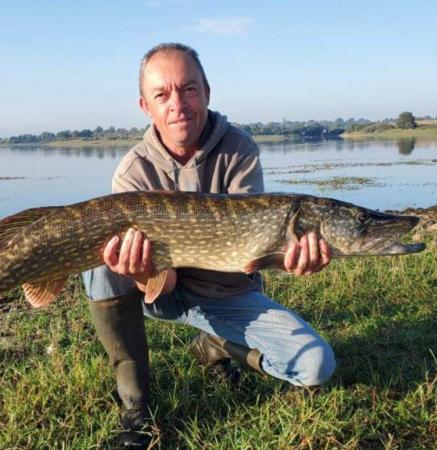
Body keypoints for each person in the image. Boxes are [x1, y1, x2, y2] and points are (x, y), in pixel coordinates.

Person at [83, 42, 336, 448]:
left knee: (315, 366)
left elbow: (253, 255)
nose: (177, 104)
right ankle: (135, 405)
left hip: (227, 292)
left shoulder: (239, 149)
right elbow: (158, 285)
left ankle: (218, 343)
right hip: (163, 292)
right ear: (146, 106)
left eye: (188, 89)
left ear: (207, 92)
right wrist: (138, 272)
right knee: (98, 255)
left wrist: (292, 261)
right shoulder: (133, 171)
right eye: (162, 94)